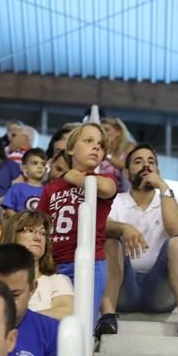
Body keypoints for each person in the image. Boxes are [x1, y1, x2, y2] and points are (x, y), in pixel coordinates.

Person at [97, 143, 178, 338]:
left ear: (158, 170)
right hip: (123, 288)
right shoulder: (115, 201)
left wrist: (163, 187)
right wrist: (123, 228)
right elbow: (100, 228)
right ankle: (107, 318)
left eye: (151, 162)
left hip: (159, 292)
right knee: (110, 240)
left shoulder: (176, 202)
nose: (146, 166)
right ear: (127, 172)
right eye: (138, 162)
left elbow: (177, 230)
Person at [37, 122, 117, 324]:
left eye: (100, 144)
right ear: (71, 149)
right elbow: (41, 223)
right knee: (54, 323)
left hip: (88, 263)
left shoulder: (104, 179)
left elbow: (108, 189)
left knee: (81, 324)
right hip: (53, 263)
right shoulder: (52, 188)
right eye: (89, 141)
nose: (96, 147)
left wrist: (78, 178)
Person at [1, 211, 74, 320]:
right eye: (30, 230)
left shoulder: (56, 281)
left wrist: (20, 320)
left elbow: (67, 312)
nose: (38, 238)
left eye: (43, 233)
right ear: (13, 235)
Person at [1, 147, 47, 217]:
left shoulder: (48, 190)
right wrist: (19, 221)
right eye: (35, 163)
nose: (40, 166)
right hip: (19, 225)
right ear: (24, 168)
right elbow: (9, 209)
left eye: (43, 164)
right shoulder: (17, 188)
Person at [100, 116, 135, 192]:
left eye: (107, 130)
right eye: (101, 131)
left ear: (118, 132)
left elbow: (126, 166)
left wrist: (107, 155)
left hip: (123, 191)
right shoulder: (98, 148)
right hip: (104, 190)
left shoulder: (129, 147)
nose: (103, 133)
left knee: (125, 171)